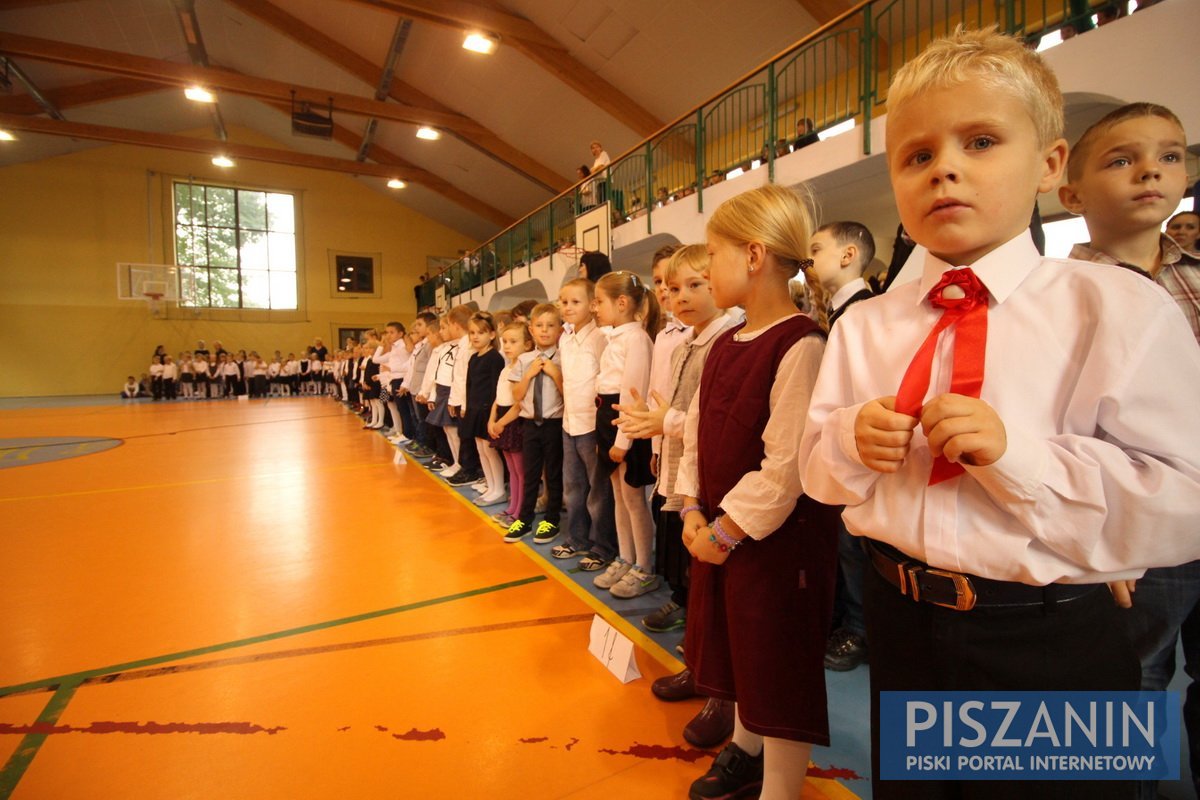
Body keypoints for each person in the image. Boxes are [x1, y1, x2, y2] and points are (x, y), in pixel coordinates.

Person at [798, 30, 1200, 800]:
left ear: (1050, 166)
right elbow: (818, 474)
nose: (944, 166)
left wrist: (1022, 459)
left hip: (1051, 631)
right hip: (904, 623)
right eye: (916, 157)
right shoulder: (865, 326)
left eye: (980, 141)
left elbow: (1183, 497)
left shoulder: (1116, 308)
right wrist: (849, 438)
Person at [673, 185, 837, 800]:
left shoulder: (801, 344)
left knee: (777, 662)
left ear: (752, 255)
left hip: (774, 544)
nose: (705, 270)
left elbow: (786, 468)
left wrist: (723, 530)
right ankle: (746, 749)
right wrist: (691, 506)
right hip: (721, 533)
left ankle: (782, 787)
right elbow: (695, 436)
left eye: (712, 255)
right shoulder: (724, 342)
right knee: (741, 648)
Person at [1057, 101, 1200, 800]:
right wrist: (1103, 536)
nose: (1151, 170)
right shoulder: (1067, 298)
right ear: (1071, 192)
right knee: (1132, 675)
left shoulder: (1192, 277)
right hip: (1135, 529)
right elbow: (1065, 428)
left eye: (1170, 156)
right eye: (1123, 159)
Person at [618, 244, 739, 749]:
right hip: (684, 473)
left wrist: (661, 423)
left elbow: (719, 421)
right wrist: (661, 443)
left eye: (694, 285)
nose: (677, 296)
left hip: (716, 482)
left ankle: (724, 696)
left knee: (717, 589)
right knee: (694, 583)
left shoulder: (727, 338)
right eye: (670, 287)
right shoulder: (690, 339)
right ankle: (699, 666)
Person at [804, 221, 878, 672]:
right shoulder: (838, 313)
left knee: (856, 548)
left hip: (861, 452)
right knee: (843, 546)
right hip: (839, 447)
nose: (808, 260)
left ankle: (861, 629)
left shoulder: (867, 312)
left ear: (848, 255)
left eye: (816, 250)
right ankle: (849, 620)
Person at [591, 271, 660, 598]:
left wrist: (622, 442)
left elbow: (634, 393)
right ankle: (625, 556)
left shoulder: (637, 339)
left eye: (599, 301)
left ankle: (644, 565)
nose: (594, 307)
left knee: (634, 499)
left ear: (621, 303)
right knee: (618, 495)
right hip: (607, 418)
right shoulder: (613, 336)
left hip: (626, 423)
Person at [552, 277, 616, 569]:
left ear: (592, 305)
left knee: (598, 490)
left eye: (575, 302)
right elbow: (566, 379)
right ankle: (578, 539)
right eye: (564, 302)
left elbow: (606, 379)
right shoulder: (565, 338)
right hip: (570, 422)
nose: (567, 307)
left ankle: (603, 546)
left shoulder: (600, 337)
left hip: (591, 424)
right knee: (574, 487)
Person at [503, 304, 565, 545]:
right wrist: (528, 374)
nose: (545, 330)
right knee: (530, 474)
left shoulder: (563, 357)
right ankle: (525, 518)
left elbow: (566, 393)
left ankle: (551, 520)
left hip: (554, 423)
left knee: (553, 474)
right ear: (531, 329)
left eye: (551, 325)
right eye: (539, 326)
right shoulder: (523, 360)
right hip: (529, 424)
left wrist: (555, 373)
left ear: (560, 329)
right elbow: (517, 395)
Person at [488, 322, 534, 527]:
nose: (507, 346)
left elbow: (519, 404)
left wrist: (501, 423)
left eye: (513, 342)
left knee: (520, 469)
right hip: (502, 419)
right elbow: (498, 399)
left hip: (514, 421)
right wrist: (492, 420)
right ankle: (512, 505)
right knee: (511, 468)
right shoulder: (506, 368)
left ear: (527, 345)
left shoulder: (523, 369)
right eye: (504, 341)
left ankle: (520, 510)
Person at [462, 312, 506, 506]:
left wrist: (493, 416)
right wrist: (467, 406)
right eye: (472, 333)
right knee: (481, 450)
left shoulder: (494, 358)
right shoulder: (473, 358)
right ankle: (490, 485)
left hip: (488, 411)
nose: (475, 336)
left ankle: (499, 489)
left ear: (492, 334)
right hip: (474, 409)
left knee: (490, 451)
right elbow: (469, 385)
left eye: (481, 332)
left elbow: (497, 388)